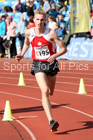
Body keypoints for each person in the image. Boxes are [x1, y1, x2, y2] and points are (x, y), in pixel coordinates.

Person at [16, 9, 67, 132]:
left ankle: (48, 105)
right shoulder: (29, 32)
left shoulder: (51, 33)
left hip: (51, 64)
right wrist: (22, 54)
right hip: (38, 64)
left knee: (51, 92)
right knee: (44, 91)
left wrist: (54, 56)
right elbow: (27, 44)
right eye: (37, 19)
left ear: (45, 20)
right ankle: (51, 121)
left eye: (42, 20)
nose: (39, 22)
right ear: (34, 20)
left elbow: (64, 49)